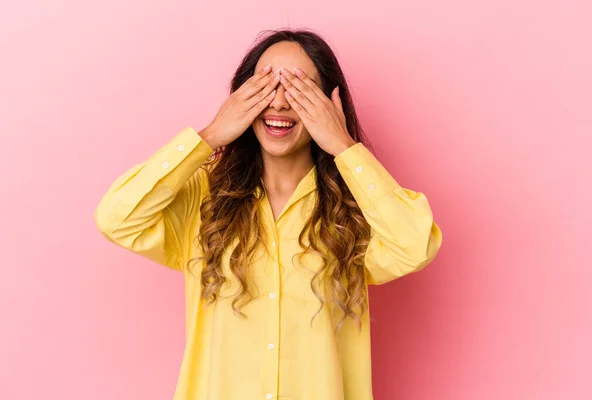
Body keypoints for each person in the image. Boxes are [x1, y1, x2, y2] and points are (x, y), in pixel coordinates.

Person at [94, 28, 443, 400]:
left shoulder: (356, 207)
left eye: (297, 87)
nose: (278, 102)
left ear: (328, 103)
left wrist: (343, 144)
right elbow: (117, 217)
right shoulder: (203, 195)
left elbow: (415, 245)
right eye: (264, 85)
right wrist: (210, 135)